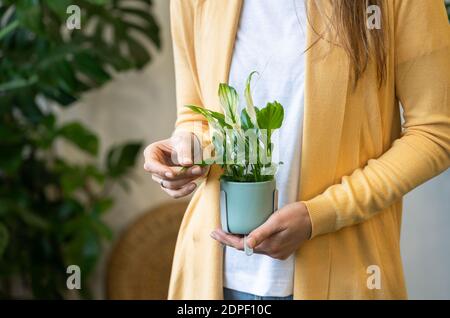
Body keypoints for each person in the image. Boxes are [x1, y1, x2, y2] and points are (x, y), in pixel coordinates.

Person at [143, 0, 450, 300]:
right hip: (216, 274)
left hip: (347, 274)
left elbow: (435, 132)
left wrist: (320, 215)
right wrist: (187, 149)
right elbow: (197, 116)